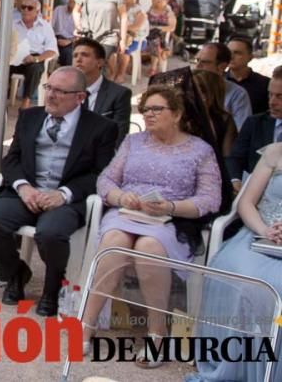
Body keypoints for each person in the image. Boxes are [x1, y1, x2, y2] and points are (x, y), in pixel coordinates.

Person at [80, 86, 221, 367]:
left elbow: (211, 199)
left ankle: (157, 333)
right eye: (146, 109)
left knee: (148, 246)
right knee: (115, 240)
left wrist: (171, 207)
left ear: (177, 114)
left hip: (171, 219)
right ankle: (87, 323)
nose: (149, 114)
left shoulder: (200, 150)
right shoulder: (134, 142)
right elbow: (106, 180)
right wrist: (122, 196)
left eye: (157, 109)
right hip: (127, 213)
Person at [0, 67, 119, 317]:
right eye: (48, 88)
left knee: (51, 232)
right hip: (27, 191)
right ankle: (16, 274)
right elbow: (12, 159)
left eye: (60, 91)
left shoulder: (101, 128)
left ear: (80, 97)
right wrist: (23, 187)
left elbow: (101, 173)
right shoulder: (30, 116)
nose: (51, 96)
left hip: (67, 199)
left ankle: (52, 288)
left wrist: (64, 193)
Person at [191, 142, 282, 382]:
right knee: (239, 276)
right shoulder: (275, 152)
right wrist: (265, 230)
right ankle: (237, 365)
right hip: (259, 236)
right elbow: (246, 202)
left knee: (276, 284)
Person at [226, 65, 282, 193]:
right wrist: (235, 180)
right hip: (251, 194)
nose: (272, 102)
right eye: (270, 95)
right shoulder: (255, 122)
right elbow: (235, 157)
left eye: (280, 97)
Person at [71, 38, 132, 144]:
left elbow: (119, 136)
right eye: (75, 56)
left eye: (84, 55)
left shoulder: (119, 94)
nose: (78, 59)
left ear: (99, 62)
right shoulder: (64, 90)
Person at [9, 0, 57, 109]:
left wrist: (36, 59)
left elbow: (52, 50)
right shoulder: (12, 24)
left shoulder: (45, 26)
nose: (25, 10)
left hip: (34, 58)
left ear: (37, 11)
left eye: (30, 8)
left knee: (35, 68)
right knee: (1, 66)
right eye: (23, 7)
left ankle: (26, 100)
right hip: (14, 56)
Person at [195, 42, 252, 132]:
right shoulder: (186, 87)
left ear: (221, 67)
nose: (197, 66)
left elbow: (243, 132)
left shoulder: (237, 94)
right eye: (197, 60)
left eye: (205, 62)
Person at [112, 0, 148, 83]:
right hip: (120, 36)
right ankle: (112, 72)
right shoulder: (118, 8)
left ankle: (120, 74)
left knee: (124, 49)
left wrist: (121, 29)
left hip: (136, 39)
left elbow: (136, 27)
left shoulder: (139, 11)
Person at [226, 36, 270, 115]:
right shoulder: (218, 81)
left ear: (250, 57)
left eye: (237, 53)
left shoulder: (265, 84)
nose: (231, 57)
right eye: (228, 53)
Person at [145, 0, 176, 77]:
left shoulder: (168, 12)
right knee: (153, 40)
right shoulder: (150, 10)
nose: (159, 0)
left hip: (162, 35)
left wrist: (158, 28)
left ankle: (154, 68)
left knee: (156, 41)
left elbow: (172, 27)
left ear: (167, 0)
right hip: (148, 33)